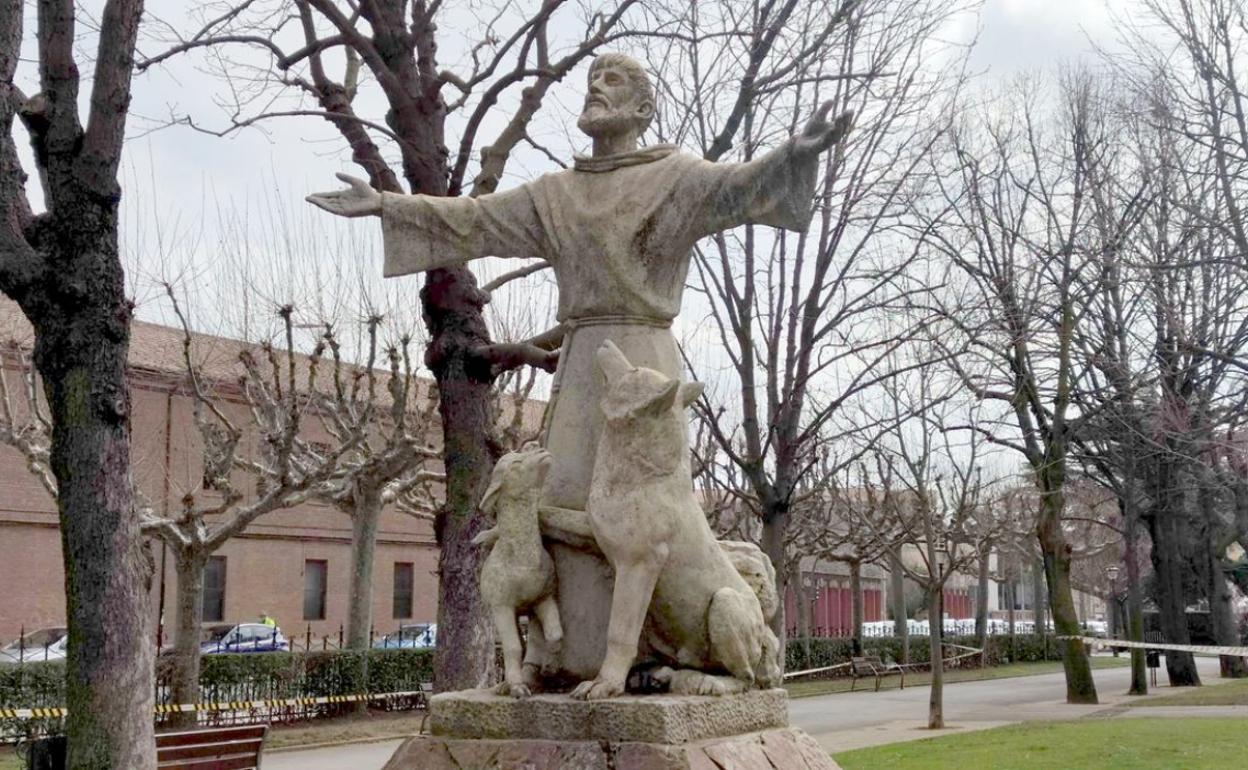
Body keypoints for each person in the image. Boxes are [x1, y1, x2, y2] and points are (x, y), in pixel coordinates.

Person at [307, 52, 852, 514]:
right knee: (566, 495)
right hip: (582, 356)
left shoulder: (678, 177)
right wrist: (384, 205)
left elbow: (742, 186)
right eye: (592, 80)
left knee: (647, 501)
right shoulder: (554, 194)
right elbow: (472, 218)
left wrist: (793, 154)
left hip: (645, 359)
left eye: (612, 81)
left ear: (643, 109)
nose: (595, 88)